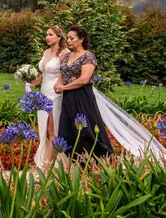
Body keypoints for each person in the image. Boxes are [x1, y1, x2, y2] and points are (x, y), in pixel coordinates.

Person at [54, 25, 113, 158]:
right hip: (68, 97)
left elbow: (84, 80)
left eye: (72, 38)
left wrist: (64, 87)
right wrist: (58, 84)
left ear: (81, 39)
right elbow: (63, 74)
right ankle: (75, 159)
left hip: (82, 96)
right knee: (68, 128)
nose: (68, 40)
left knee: (87, 129)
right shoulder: (66, 56)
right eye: (68, 38)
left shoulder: (88, 56)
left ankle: (98, 158)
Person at [26, 26, 69, 170]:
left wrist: (60, 83)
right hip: (43, 93)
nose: (47, 37)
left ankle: (49, 166)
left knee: (51, 129)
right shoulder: (46, 52)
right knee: (44, 129)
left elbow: (66, 72)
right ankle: (47, 161)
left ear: (59, 37)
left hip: (55, 94)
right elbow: (44, 74)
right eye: (46, 35)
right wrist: (32, 83)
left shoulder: (64, 53)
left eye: (50, 34)